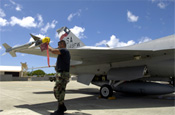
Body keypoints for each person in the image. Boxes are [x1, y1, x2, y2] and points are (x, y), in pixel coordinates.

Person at [48, 40, 71, 115]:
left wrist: (46, 45)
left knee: (57, 91)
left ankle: (61, 108)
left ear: (62, 45)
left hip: (62, 74)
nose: (58, 46)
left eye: (59, 45)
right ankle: (61, 107)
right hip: (62, 74)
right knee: (61, 91)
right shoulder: (64, 52)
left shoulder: (64, 50)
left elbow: (53, 51)